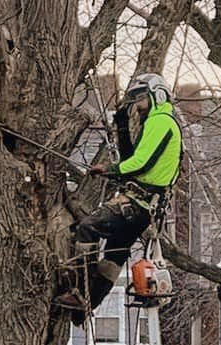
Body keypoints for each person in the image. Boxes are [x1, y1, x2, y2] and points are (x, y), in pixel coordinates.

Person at [56, 73, 183, 316]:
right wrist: (123, 127)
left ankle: (80, 291)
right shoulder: (156, 122)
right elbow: (132, 160)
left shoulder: (162, 121)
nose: (137, 105)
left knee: (88, 228)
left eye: (141, 99)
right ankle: (88, 303)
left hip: (138, 202)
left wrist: (109, 169)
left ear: (156, 95)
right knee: (115, 252)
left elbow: (141, 164)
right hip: (146, 209)